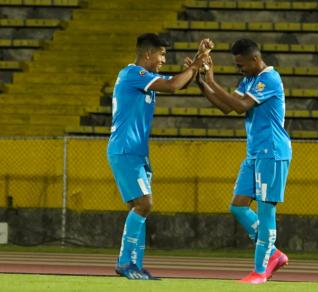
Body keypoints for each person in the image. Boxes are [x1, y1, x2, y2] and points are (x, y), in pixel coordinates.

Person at [107, 33, 210, 280]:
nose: (164, 59)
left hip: (136, 151)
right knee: (145, 204)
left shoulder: (145, 78)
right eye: (162, 54)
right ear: (148, 54)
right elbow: (173, 85)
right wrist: (194, 66)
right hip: (125, 150)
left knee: (138, 208)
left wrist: (198, 60)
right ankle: (124, 263)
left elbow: (178, 83)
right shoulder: (133, 74)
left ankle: (135, 265)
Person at [196, 38, 292, 284]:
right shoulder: (249, 79)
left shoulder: (269, 78)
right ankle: (273, 254)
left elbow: (240, 106)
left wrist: (212, 81)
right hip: (255, 154)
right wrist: (201, 83)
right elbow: (226, 106)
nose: (240, 69)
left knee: (266, 210)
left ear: (255, 59)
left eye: (241, 65)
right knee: (238, 206)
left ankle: (260, 272)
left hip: (272, 152)